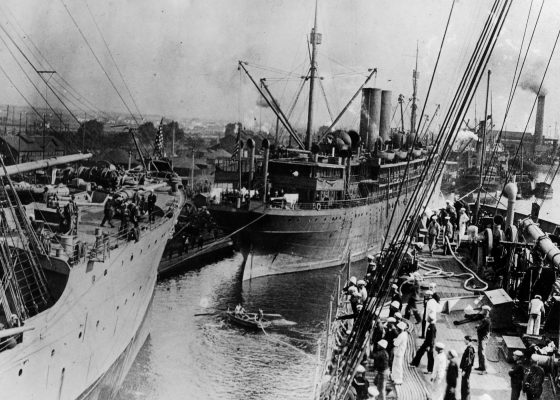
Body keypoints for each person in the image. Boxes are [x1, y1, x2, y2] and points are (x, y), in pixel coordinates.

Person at [475, 305, 491, 375]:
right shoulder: (485, 319)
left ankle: (484, 369)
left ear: (487, 311)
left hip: (483, 338)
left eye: (484, 311)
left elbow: (480, 327)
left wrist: (478, 327)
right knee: (479, 352)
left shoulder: (486, 320)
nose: (482, 313)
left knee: (482, 353)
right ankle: (481, 366)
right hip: (481, 337)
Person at [460, 336, 476, 400]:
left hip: (466, 370)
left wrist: (464, 370)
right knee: (464, 384)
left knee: (465, 384)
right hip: (466, 369)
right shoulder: (470, 348)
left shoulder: (470, 348)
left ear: (467, 340)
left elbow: (468, 361)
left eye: (465, 340)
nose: (464, 341)